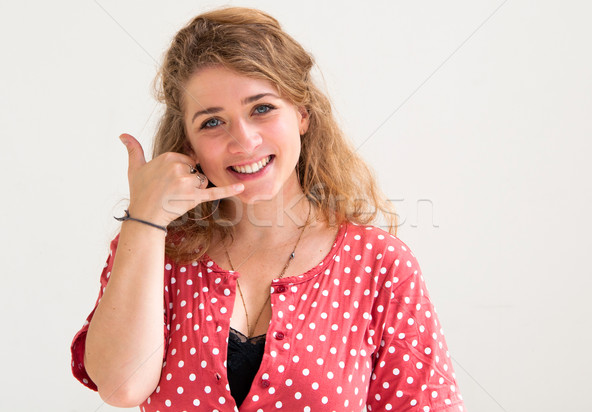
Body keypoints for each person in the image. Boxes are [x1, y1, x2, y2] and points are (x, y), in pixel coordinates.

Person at [71, 7, 465, 411]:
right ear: (188, 145)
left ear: (302, 115)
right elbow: (121, 388)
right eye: (212, 122)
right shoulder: (154, 248)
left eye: (262, 109)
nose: (244, 140)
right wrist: (144, 221)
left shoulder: (378, 264)